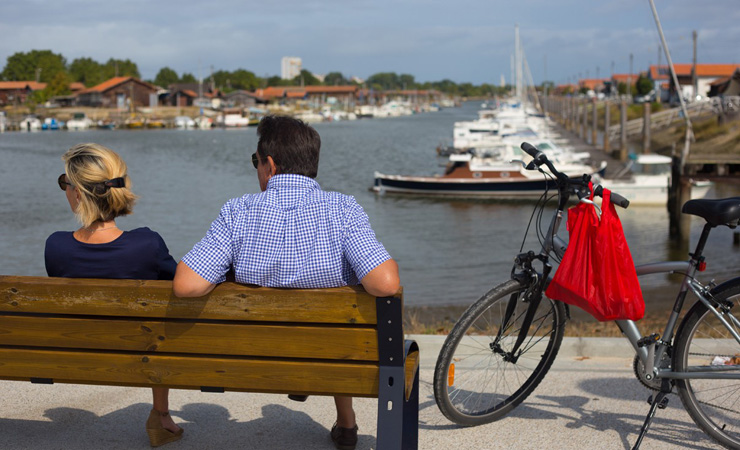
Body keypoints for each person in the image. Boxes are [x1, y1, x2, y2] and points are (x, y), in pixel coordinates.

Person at [173, 115, 400, 450]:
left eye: (256, 162)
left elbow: (186, 286)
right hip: (334, 352)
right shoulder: (343, 209)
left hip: (258, 358)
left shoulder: (238, 212)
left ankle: (312, 386)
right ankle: (346, 420)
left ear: (269, 165)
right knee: (340, 313)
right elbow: (385, 284)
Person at [45, 143, 183, 448]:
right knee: (163, 325)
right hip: (142, 354)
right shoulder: (148, 244)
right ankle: (160, 415)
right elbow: (179, 288)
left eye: (64, 183)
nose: (65, 190)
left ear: (79, 193)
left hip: (79, 355)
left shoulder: (55, 246)